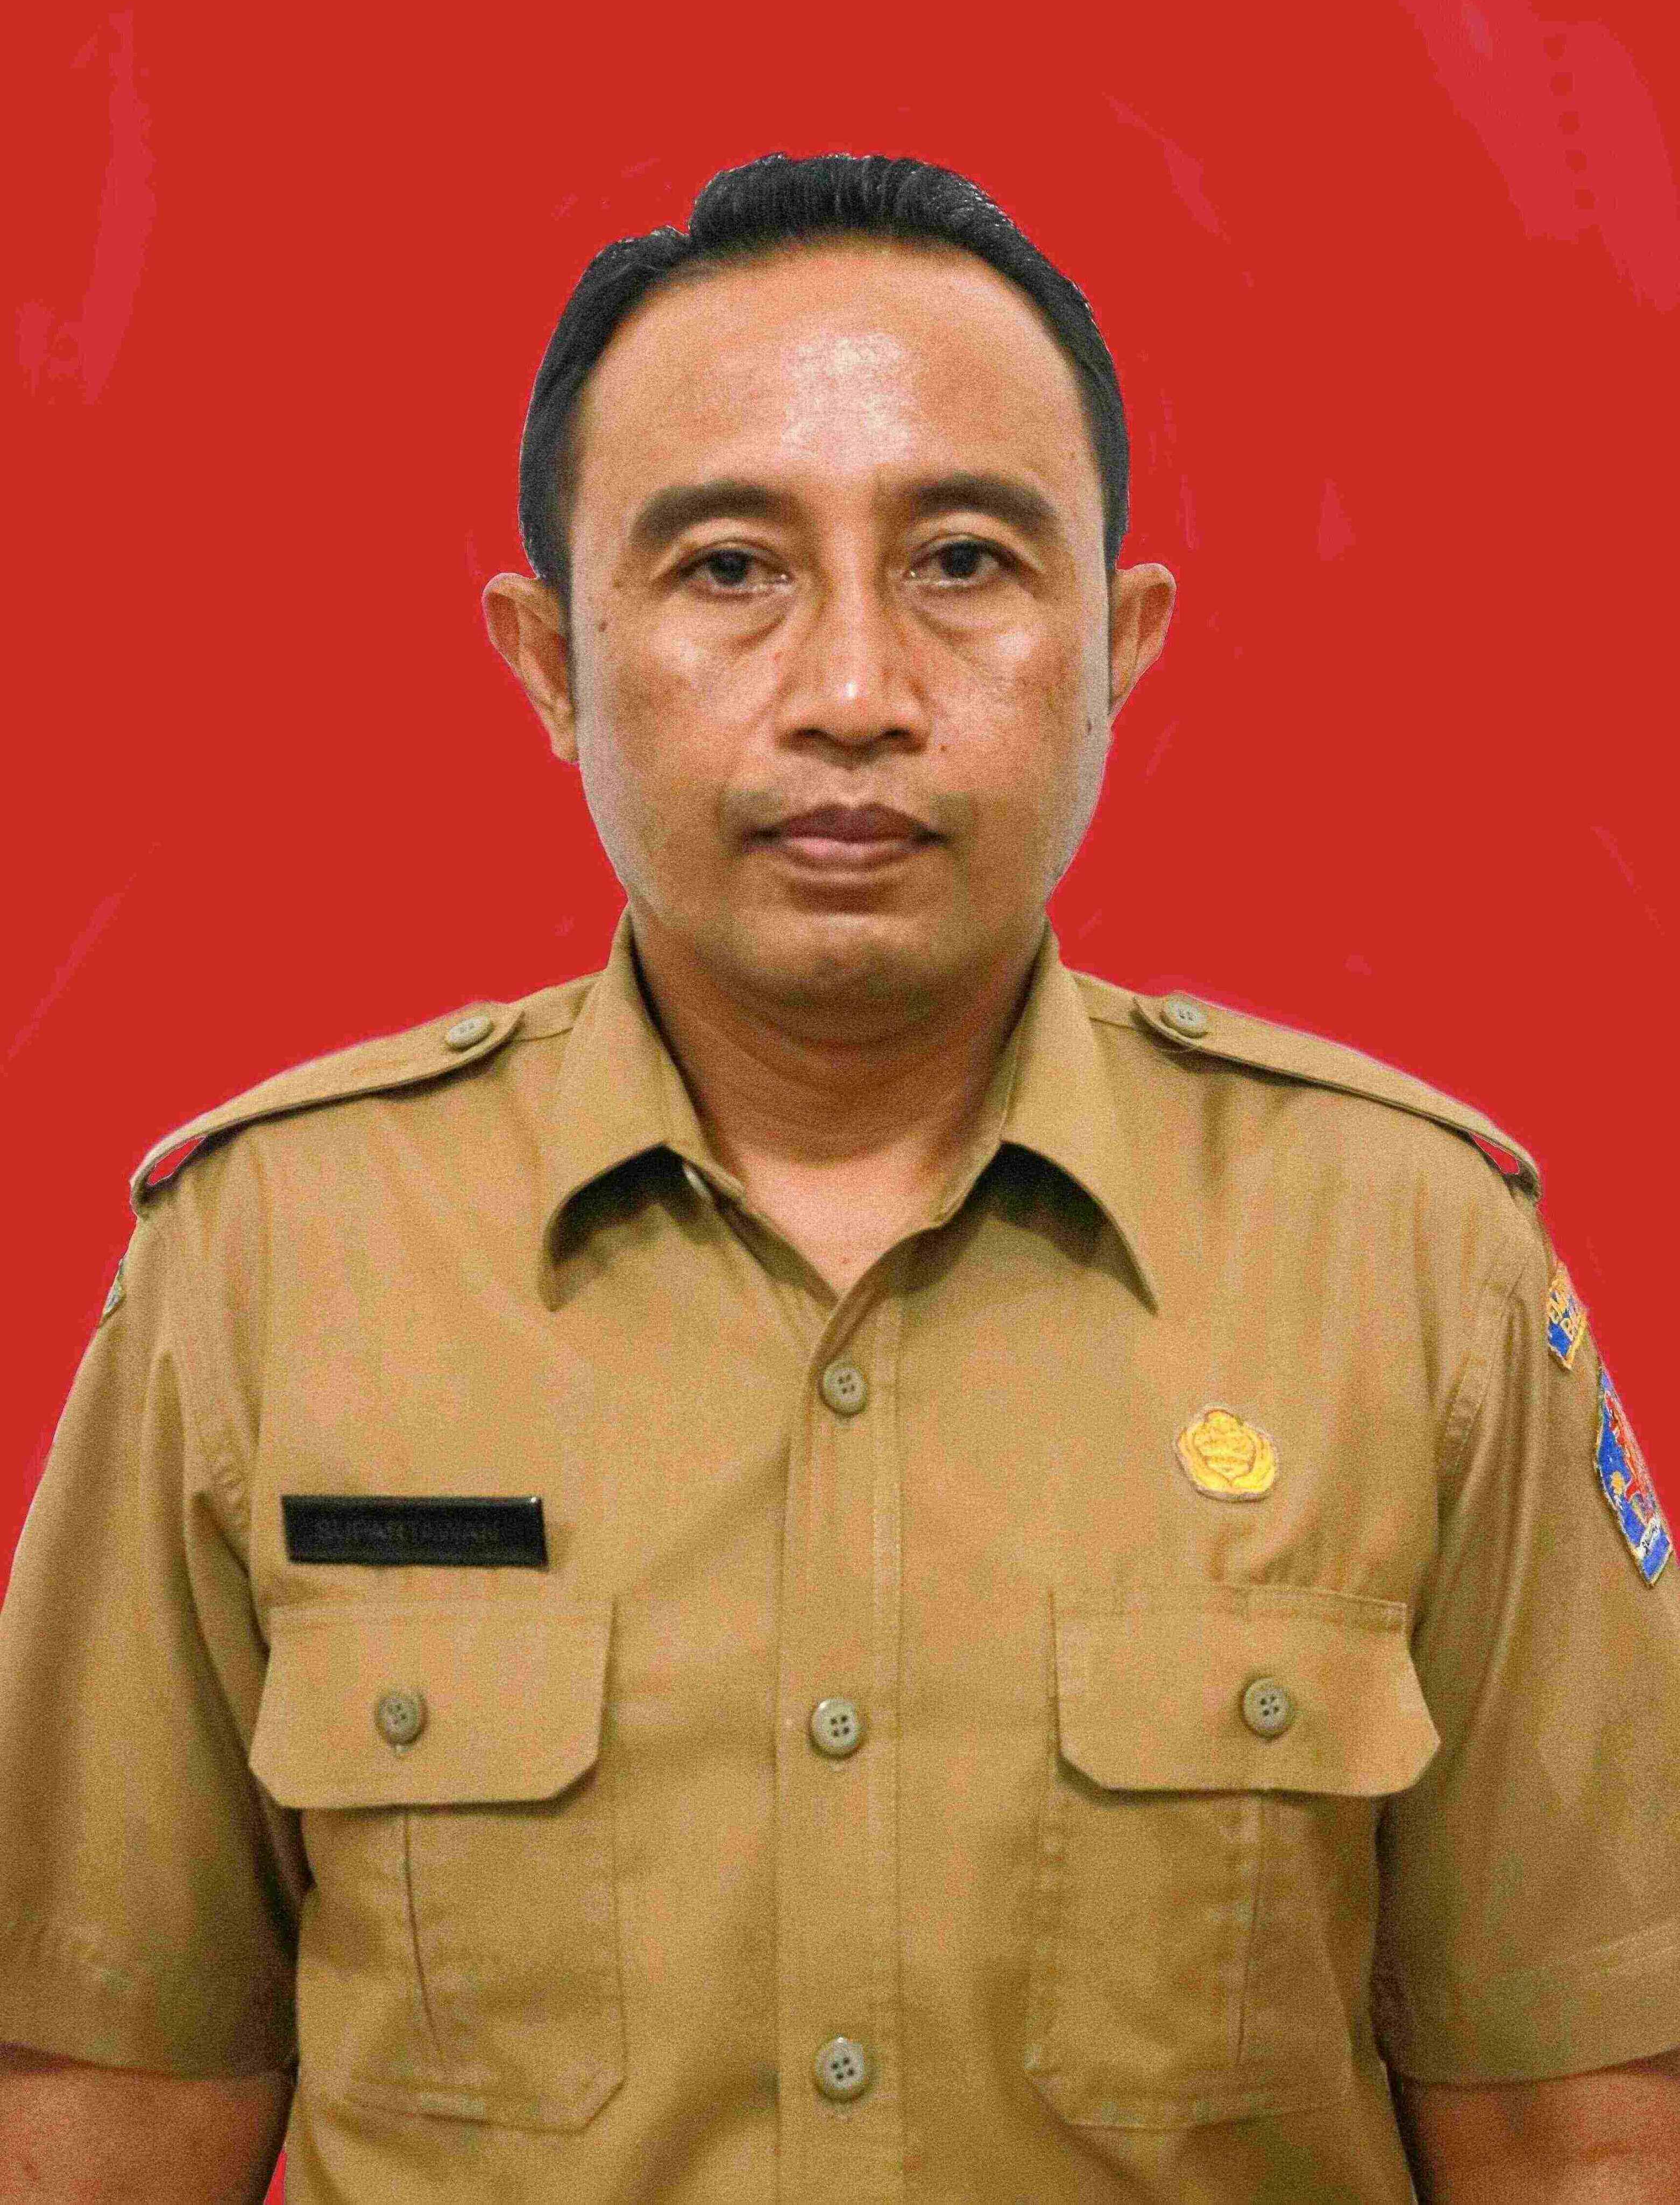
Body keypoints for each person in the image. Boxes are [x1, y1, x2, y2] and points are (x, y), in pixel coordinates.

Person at [1, 149, 1677, 2204]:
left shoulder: (1410, 1262)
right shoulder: (273, 1261)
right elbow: (96, 2115)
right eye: (728, 569)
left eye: (963, 561)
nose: (857, 695)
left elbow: (1584, 2135)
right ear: (549, 660)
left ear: (1117, 641)